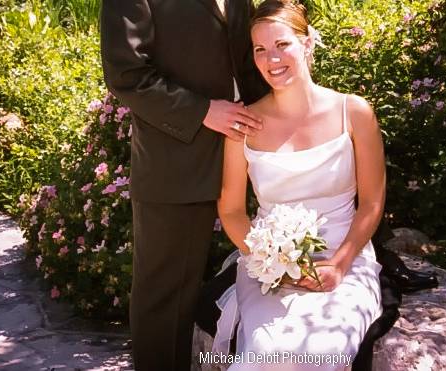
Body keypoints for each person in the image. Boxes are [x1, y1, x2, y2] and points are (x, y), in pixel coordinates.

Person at [214, 0, 389, 368]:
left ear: (307, 43)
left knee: (323, 349)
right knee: (266, 352)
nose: (271, 59)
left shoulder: (354, 112)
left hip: (346, 257)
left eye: (282, 45)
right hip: (268, 269)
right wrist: (268, 259)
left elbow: (372, 203)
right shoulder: (243, 126)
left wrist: (339, 265)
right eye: (260, 49)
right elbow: (231, 209)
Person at [99, 1, 267, 370]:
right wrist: (203, 111)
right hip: (176, 164)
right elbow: (126, 74)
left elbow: (247, 55)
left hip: (254, 148)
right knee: (166, 301)